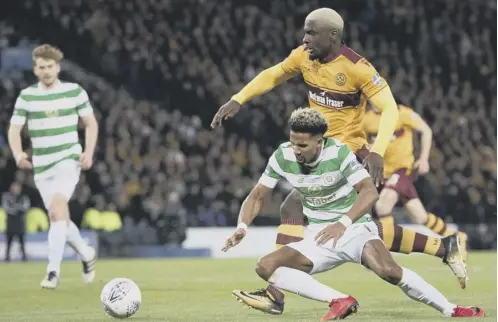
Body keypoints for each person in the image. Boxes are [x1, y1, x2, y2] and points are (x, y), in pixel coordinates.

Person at [212, 7, 467, 311]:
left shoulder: (357, 67)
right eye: (305, 32)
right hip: (321, 152)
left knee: (299, 205)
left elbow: (390, 109)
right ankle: (443, 246)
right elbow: (274, 74)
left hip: (349, 153)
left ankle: (276, 295)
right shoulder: (304, 56)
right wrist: (239, 98)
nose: (304, 38)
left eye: (311, 33)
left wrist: (376, 151)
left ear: (332, 35)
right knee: (358, 225)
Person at [223, 109, 484, 320]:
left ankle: (452, 309)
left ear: (319, 141)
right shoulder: (282, 156)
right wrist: (242, 227)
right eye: (293, 143)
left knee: (389, 272)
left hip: (355, 229)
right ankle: (340, 301)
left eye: (302, 145)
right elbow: (257, 195)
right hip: (319, 236)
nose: (296, 150)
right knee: (266, 265)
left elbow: (369, 192)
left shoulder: (338, 154)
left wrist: (342, 223)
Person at [8, 44, 97, 289]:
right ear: (35, 70)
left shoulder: (74, 92)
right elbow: (14, 129)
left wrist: (88, 152)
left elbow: (90, 123)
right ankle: (86, 253)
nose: (46, 71)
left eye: (50, 66)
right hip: (42, 166)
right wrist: (17, 154)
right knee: (59, 218)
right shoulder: (27, 96)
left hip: (68, 159)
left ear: (57, 67)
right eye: (41, 67)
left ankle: (52, 272)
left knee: (57, 210)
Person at [363, 102, 469, 284]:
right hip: (382, 173)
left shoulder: (402, 113)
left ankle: (385, 252)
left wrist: (424, 158)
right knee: (420, 217)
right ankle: (457, 237)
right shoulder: (366, 119)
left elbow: (426, 130)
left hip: (403, 169)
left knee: (383, 205)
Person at [2, 182, 30, 262]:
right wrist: (17, 208)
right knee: (9, 242)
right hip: (10, 223)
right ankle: (7, 257)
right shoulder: (6, 196)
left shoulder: (23, 197)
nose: (15, 189)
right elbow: (6, 208)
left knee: (22, 242)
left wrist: (15, 206)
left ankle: (24, 257)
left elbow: (25, 207)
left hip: (20, 223)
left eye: (17, 187)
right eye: (14, 187)